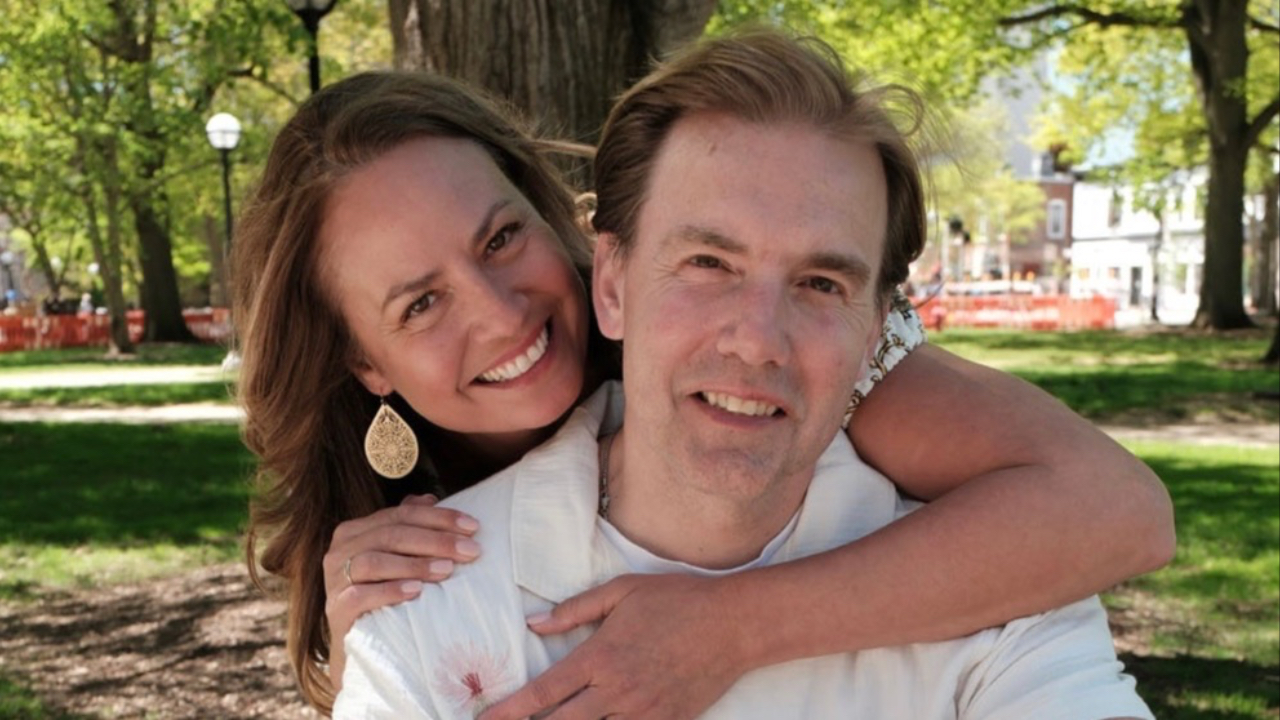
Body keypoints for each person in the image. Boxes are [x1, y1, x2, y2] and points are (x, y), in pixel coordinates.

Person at [232, 46, 1172, 719]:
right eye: (420, 305)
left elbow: (1116, 509)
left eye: (502, 238)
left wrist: (726, 630)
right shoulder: (416, 594)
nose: (503, 314)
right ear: (365, 366)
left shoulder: (844, 374)